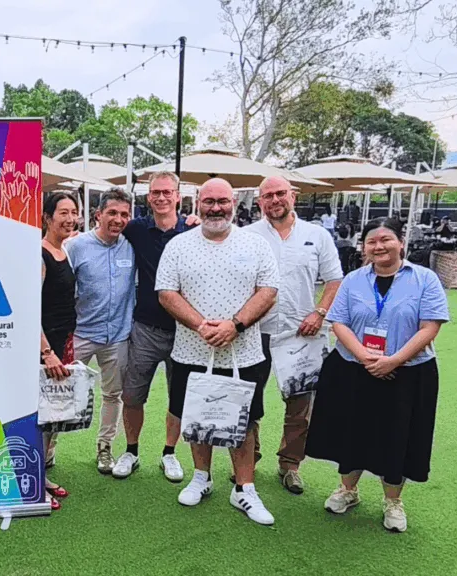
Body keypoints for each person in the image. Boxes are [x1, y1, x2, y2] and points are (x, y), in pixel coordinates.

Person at [306, 218, 449, 533]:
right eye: (371, 241)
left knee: (399, 436)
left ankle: (393, 501)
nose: (378, 246)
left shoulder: (424, 279)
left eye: (386, 239)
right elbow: (339, 322)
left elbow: (430, 326)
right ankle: (348, 490)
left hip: (408, 373)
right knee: (352, 431)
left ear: (401, 242)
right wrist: (363, 356)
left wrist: (394, 361)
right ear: (364, 247)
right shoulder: (353, 280)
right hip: (354, 368)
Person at [156, 178, 280, 526]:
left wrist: (234, 325)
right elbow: (166, 293)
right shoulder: (179, 245)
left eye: (222, 201)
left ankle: (244, 488)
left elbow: (268, 290)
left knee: (245, 422)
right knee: (198, 417)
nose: (215, 208)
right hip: (191, 351)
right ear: (198, 203)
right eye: (209, 201)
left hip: (244, 352)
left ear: (234, 204)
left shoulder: (255, 244)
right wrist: (201, 326)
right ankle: (202, 477)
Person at [244, 176, 343, 495]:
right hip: (255, 331)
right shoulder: (247, 236)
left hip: (303, 331)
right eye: (268, 196)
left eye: (280, 194)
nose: (275, 200)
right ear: (260, 202)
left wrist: (320, 312)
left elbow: (334, 280)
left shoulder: (317, 235)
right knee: (249, 399)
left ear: (292, 196)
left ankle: (290, 465)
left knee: (300, 405)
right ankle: (247, 461)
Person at [114, 171, 197, 482]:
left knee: (178, 396)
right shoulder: (136, 228)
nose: (161, 198)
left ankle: (169, 453)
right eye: (155, 193)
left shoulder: (194, 230)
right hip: (145, 328)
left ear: (177, 195)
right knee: (133, 396)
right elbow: (106, 230)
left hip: (185, 330)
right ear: (148, 197)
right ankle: (131, 451)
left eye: (167, 192)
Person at [63, 188, 135, 474]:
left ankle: (105, 447)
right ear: (98, 215)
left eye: (124, 214)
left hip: (117, 336)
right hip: (80, 333)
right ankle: (48, 450)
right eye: (112, 213)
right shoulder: (76, 246)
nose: (118, 219)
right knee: (61, 391)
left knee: (113, 394)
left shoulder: (131, 245)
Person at [38, 192, 80, 510]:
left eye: (74, 212)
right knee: (41, 416)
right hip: (46, 347)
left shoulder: (62, 249)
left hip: (63, 341)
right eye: (63, 212)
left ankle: (40, 475)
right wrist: (46, 352)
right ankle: (34, 482)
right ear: (47, 218)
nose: (70, 218)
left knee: (53, 414)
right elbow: (29, 308)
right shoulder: (39, 255)